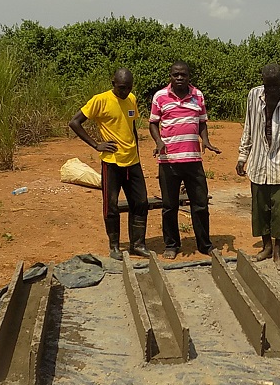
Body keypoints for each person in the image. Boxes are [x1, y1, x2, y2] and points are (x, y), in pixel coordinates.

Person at [69, 68, 151, 261]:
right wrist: (96, 144)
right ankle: (114, 246)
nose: (125, 92)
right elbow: (74, 122)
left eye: (129, 87)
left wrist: (136, 152)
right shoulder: (100, 100)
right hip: (111, 162)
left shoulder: (131, 99)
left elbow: (131, 128)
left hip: (132, 162)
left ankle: (138, 244)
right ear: (113, 83)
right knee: (111, 206)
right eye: (122, 88)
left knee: (140, 202)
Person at [236, 64, 280, 271]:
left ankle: (278, 250)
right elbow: (248, 126)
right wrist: (243, 156)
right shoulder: (254, 95)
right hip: (258, 163)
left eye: (275, 86)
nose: (271, 91)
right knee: (260, 209)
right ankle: (266, 246)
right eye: (267, 86)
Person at [149, 61, 220, 260]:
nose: (179, 78)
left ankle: (205, 245)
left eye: (183, 75)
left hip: (193, 160)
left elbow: (202, 122)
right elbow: (153, 123)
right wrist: (159, 141)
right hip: (168, 161)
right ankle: (171, 245)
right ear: (170, 76)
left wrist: (205, 141)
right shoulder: (160, 97)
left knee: (200, 204)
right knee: (169, 206)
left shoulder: (198, 95)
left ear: (189, 77)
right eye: (175, 75)